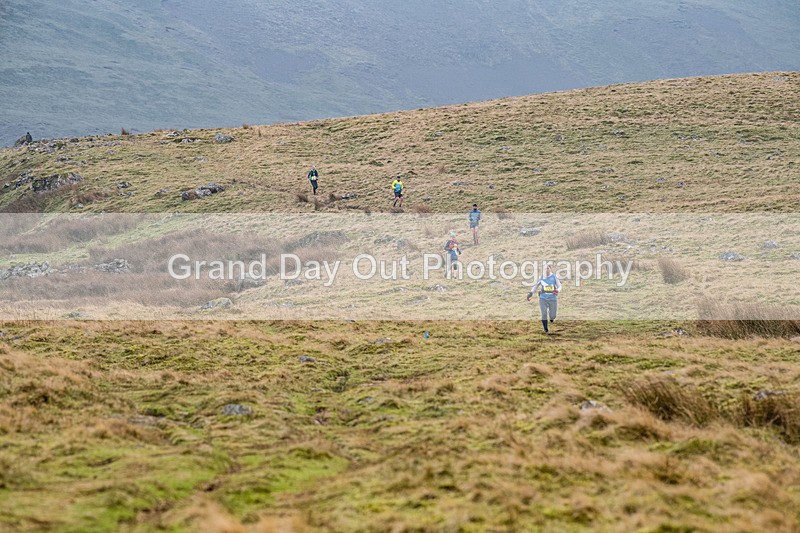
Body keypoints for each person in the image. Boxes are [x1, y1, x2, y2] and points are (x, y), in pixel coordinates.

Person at [527, 264, 562, 334]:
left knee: (553, 315)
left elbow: (560, 286)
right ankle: (545, 329)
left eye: (548, 268)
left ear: (550, 269)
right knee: (544, 314)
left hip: (552, 298)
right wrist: (530, 293)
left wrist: (557, 290)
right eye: (545, 268)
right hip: (543, 298)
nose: (546, 270)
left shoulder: (554, 277)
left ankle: (551, 318)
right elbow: (536, 286)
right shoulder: (541, 277)